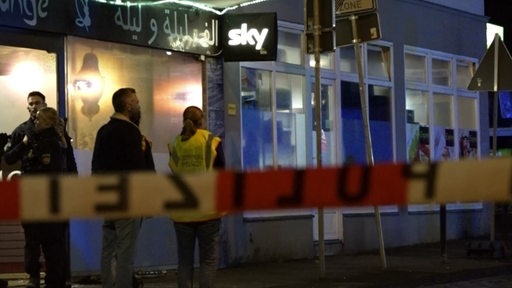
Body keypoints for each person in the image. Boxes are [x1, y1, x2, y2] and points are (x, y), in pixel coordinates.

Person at [4, 91, 77, 288]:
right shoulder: (22, 131)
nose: (35, 107)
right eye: (32, 104)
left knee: (55, 238)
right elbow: (9, 157)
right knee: (32, 239)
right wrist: (25, 144)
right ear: (28, 107)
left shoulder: (58, 130)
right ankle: (33, 276)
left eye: (38, 103)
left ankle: (56, 277)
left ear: (45, 104)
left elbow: (68, 159)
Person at [91, 87, 155, 288]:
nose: (138, 106)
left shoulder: (103, 130)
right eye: (136, 103)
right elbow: (138, 170)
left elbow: (96, 165)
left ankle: (108, 284)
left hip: (107, 198)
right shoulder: (132, 132)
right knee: (125, 254)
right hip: (128, 201)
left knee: (108, 249)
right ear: (128, 106)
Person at [168, 105, 225, 288]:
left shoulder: (175, 143)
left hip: (183, 211)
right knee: (207, 262)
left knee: (184, 262)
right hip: (208, 211)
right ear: (202, 121)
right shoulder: (211, 141)